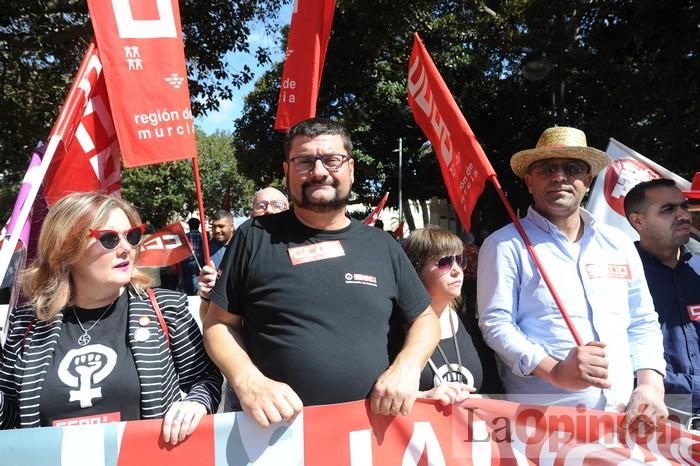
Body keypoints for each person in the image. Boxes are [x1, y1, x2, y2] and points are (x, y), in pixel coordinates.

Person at [203, 117, 439, 427]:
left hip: (371, 437)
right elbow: (218, 325)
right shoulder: (254, 237)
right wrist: (248, 381)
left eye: (331, 160)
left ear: (351, 169)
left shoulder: (382, 245)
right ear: (287, 170)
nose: (319, 172)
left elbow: (425, 320)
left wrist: (407, 366)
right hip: (277, 437)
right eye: (304, 161)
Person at [477, 126, 667, 426]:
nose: (560, 177)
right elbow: (496, 325)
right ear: (529, 181)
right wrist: (554, 370)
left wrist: (649, 386)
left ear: (588, 181)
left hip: (624, 417)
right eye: (547, 168)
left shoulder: (618, 243)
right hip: (544, 425)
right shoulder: (504, 244)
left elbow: (642, 321)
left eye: (573, 168)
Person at [0, 193, 222, 445]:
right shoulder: (27, 324)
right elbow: (11, 419)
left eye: (132, 236)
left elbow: (205, 378)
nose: (127, 248)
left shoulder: (166, 309)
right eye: (109, 239)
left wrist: (196, 403)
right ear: (66, 247)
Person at [624, 178, 700, 419]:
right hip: (657, 414)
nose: (684, 216)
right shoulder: (619, 276)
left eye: (684, 207)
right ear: (638, 221)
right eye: (668, 209)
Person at [401, 227, 501, 405]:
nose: (457, 270)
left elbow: (495, 392)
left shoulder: (474, 328)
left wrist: (477, 400)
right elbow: (379, 395)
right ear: (416, 270)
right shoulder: (394, 331)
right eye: (444, 262)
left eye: (460, 260)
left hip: (471, 430)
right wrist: (425, 398)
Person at [198, 188, 290, 323]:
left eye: (277, 205)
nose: (269, 210)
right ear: (252, 215)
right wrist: (207, 297)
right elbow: (215, 322)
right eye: (261, 206)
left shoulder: (307, 249)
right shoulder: (240, 256)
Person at [179, 218, 204, 295]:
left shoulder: (186, 237)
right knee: (197, 278)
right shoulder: (202, 236)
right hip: (198, 261)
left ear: (189, 226)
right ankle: (196, 292)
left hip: (187, 262)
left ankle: (189, 294)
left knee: (188, 280)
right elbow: (204, 249)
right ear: (198, 225)